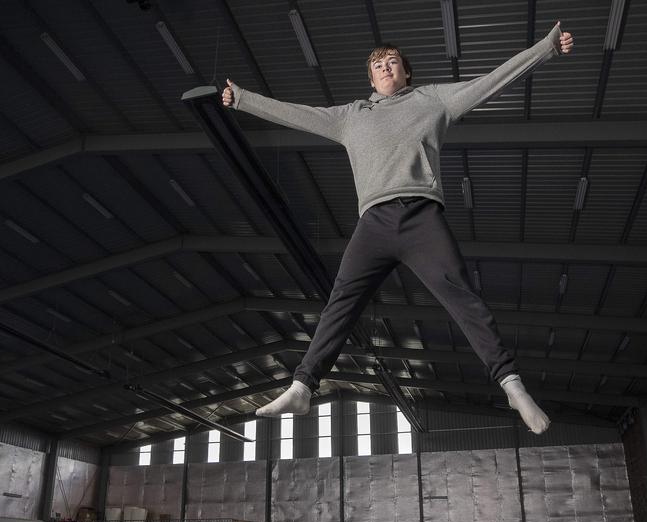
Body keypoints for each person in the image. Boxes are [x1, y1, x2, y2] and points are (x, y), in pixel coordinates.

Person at [223, 24, 575, 434]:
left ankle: (512, 385)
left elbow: (491, 81)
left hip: (421, 217)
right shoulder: (349, 116)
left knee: (463, 298)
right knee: (340, 302)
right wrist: (243, 100)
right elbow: (297, 114)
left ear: (406, 73)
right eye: (377, 64)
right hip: (373, 224)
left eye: (392, 62)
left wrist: (546, 48)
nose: (386, 67)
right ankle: (303, 385)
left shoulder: (434, 99)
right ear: (371, 79)